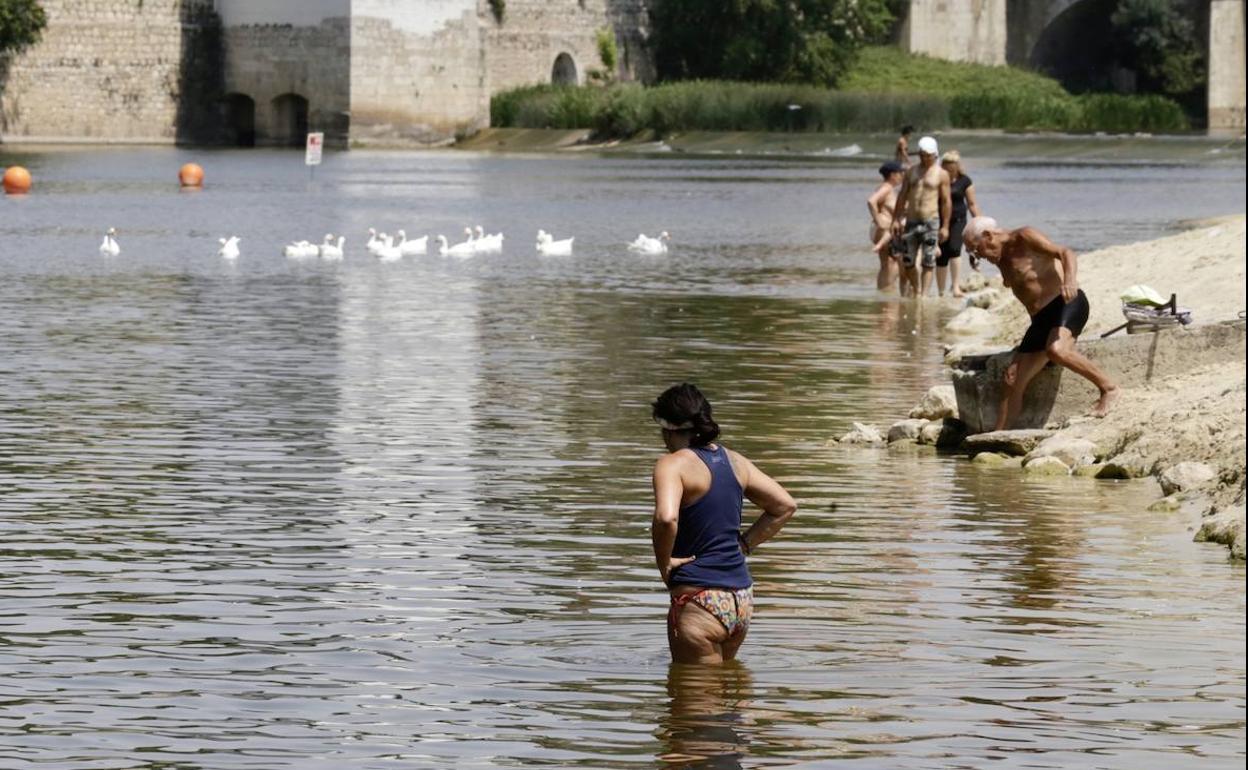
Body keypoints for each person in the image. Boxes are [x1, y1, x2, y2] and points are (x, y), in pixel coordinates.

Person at [651, 384, 797, 665]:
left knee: (692, 705)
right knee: (726, 698)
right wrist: (744, 545)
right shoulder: (735, 462)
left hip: (699, 603)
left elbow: (666, 519)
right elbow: (784, 506)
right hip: (740, 600)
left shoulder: (672, 465)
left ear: (667, 428)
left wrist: (665, 562)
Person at [962, 217, 1120, 428]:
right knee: (1011, 378)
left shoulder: (1024, 237)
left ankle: (1109, 389)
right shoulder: (1000, 259)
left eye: (975, 249)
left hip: (1066, 304)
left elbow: (1066, 253)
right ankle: (997, 436)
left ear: (989, 236)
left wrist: (1069, 280)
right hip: (1040, 320)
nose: (977, 256)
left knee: (1057, 350)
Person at [890, 136, 951, 297]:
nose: (924, 158)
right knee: (908, 261)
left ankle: (923, 295)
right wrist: (896, 219)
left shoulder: (942, 174)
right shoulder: (911, 171)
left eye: (928, 155)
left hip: (931, 221)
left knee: (928, 260)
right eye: (922, 154)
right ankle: (916, 289)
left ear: (935, 154)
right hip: (911, 220)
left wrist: (945, 226)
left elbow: (946, 201)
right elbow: (902, 196)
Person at [936, 151, 980, 298]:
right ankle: (941, 291)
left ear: (957, 167)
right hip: (939, 220)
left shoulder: (965, 181)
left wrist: (979, 222)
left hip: (959, 220)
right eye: (946, 167)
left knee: (954, 249)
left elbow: (972, 204)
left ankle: (955, 287)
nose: (949, 171)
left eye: (952, 168)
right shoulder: (938, 179)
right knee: (941, 254)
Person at [867, 161, 906, 293]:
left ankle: (883, 292)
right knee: (891, 263)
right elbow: (871, 201)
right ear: (892, 175)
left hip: (881, 230)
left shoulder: (886, 187)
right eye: (900, 173)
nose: (902, 175)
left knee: (887, 263)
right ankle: (887, 292)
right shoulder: (887, 188)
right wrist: (878, 220)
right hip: (883, 230)